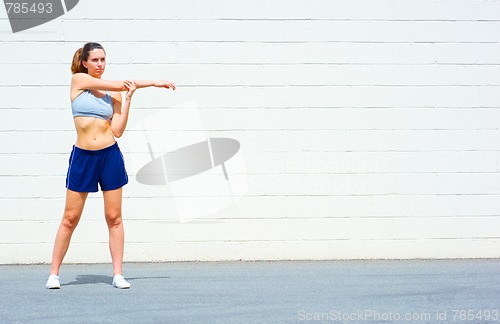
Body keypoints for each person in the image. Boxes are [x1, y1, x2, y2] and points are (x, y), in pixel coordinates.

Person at [46, 42, 175, 289]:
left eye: (103, 60)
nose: (100, 64)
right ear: (84, 62)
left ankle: (117, 274)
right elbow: (119, 83)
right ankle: (54, 274)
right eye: (95, 60)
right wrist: (154, 83)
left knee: (114, 217)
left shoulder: (113, 93)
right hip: (83, 157)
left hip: (109, 156)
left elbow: (117, 130)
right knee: (70, 218)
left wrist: (128, 99)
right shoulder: (79, 81)